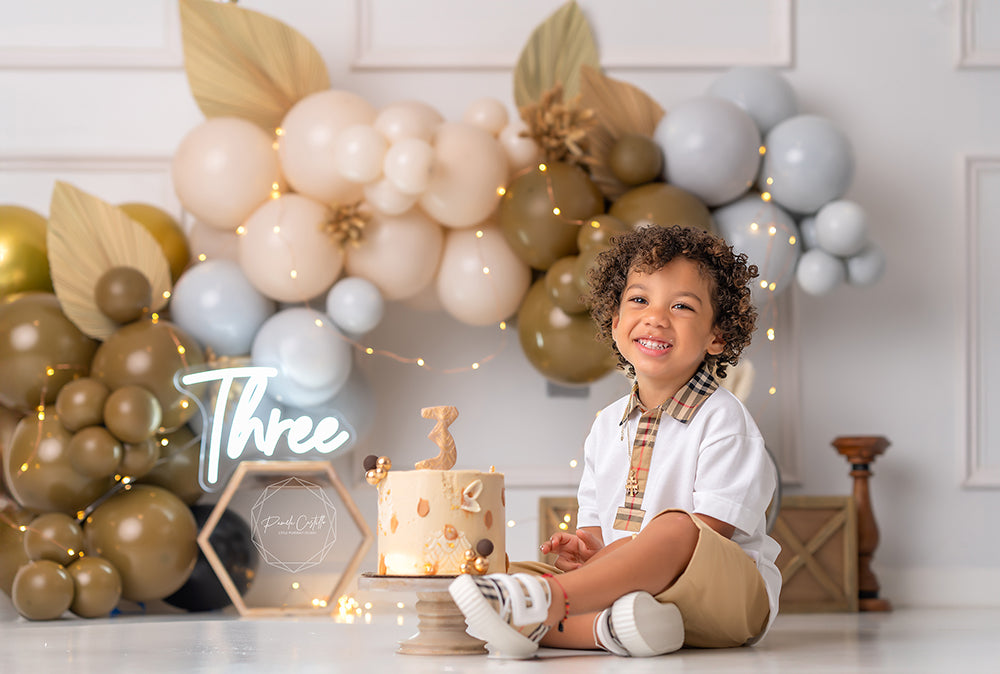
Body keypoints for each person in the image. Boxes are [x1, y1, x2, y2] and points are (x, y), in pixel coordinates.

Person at [449, 224, 781, 659]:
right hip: (638, 597)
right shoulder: (607, 426)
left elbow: (704, 540)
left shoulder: (723, 420)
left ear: (716, 336)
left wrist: (590, 575)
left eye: (681, 306)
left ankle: (546, 605)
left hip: (723, 598)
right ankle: (612, 630)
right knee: (497, 578)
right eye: (639, 300)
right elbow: (598, 531)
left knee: (676, 527)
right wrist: (588, 551)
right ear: (617, 320)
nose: (656, 317)